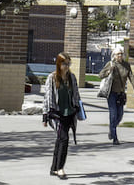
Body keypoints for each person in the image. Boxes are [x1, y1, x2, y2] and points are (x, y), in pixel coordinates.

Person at [42, 51, 81, 180]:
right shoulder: (52, 78)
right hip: (57, 114)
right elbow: (47, 97)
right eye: (64, 64)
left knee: (60, 140)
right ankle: (60, 168)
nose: (66, 66)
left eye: (68, 64)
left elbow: (76, 95)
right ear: (58, 64)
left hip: (69, 113)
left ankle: (54, 167)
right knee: (64, 140)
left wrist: (77, 109)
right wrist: (46, 115)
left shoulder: (72, 77)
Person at [99, 45, 134, 144]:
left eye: (121, 54)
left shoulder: (126, 65)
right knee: (113, 115)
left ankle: (111, 128)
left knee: (120, 114)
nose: (120, 56)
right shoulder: (111, 64)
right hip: (111, 93)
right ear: (114, 55)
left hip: (120, 93)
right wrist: (109, 72)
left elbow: (132, 77)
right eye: (118, 54)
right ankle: (114, 137)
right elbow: (100, 75)